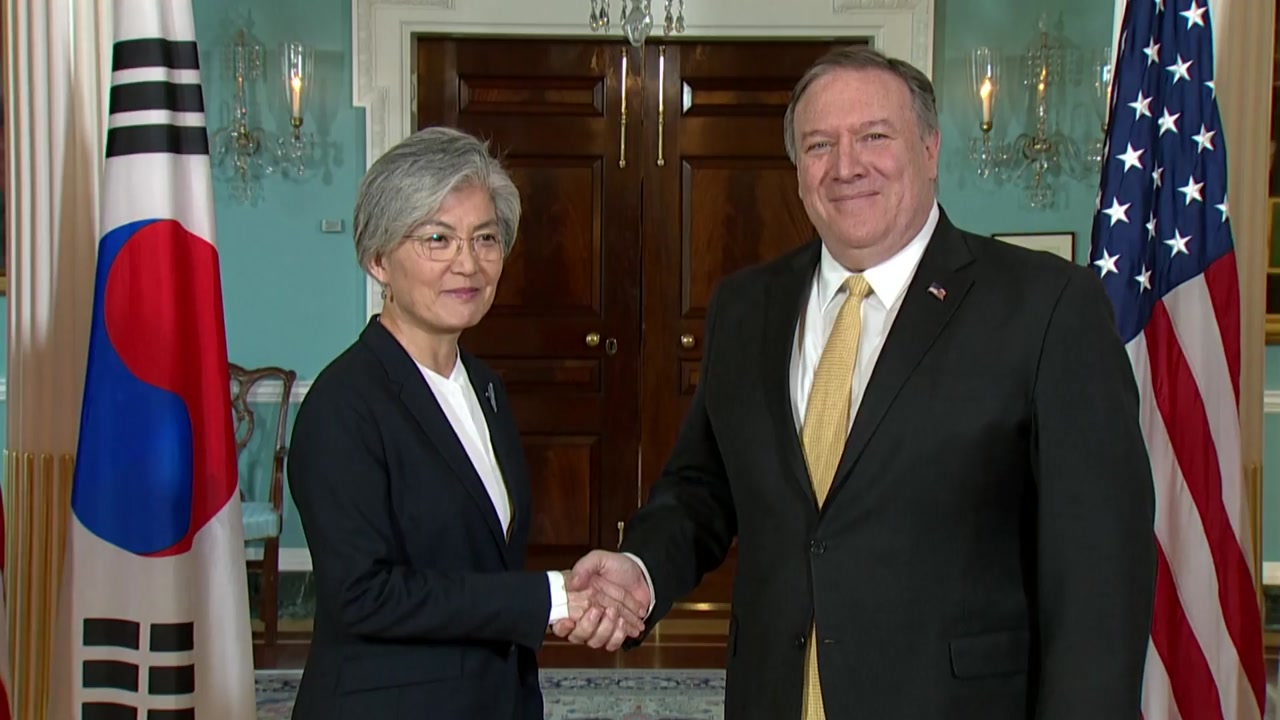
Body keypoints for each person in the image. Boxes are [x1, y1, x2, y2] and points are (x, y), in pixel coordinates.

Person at [554, 46, 1156, 719]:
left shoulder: (1045, 306)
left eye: (874, 136)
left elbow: (1100, 569)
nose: (846, 166)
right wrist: (640, 570)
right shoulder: (746, 306)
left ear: (930, 149)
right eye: (820, 144)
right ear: (797, 169)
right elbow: (703, 487)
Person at [287, 126, 646, 720]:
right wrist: (550, 596)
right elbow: (363, 596)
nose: (468, 264)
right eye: (438, 239)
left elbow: (479, 560)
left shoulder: (485, 387)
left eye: (485, 238)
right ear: (378, 259)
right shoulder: (342, 405)